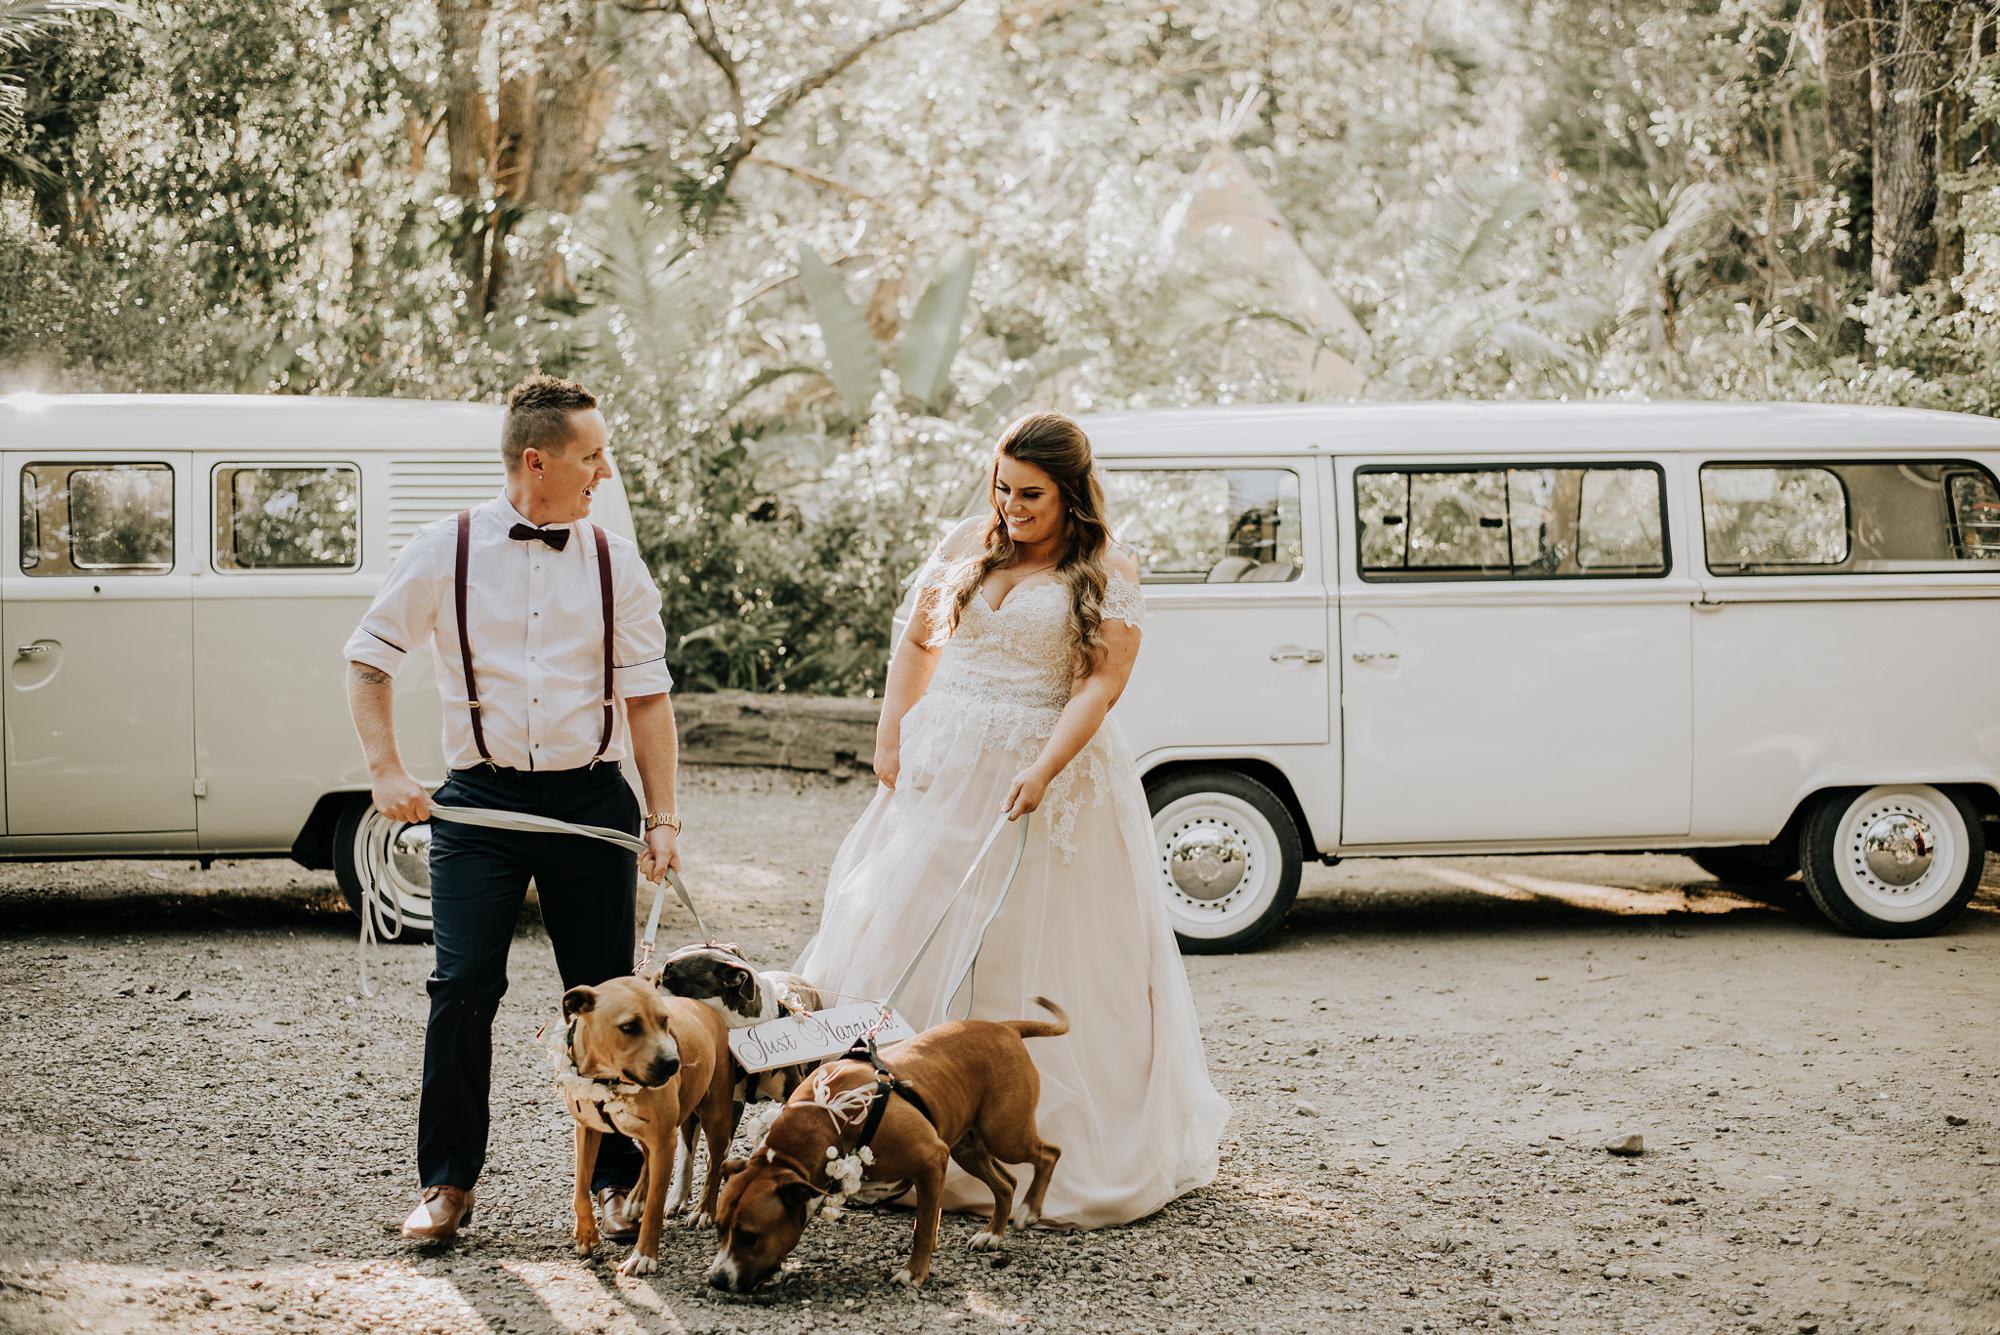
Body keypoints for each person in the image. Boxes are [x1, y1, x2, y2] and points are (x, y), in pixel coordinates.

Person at [793, 411, 1229, 1228]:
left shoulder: (1104, 567)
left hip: (1041, 768)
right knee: (908, 917)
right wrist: (891, 731)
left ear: (1071, 492)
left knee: (1026, 941)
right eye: (1001, 486)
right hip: (942, 762)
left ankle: (1019, 1135)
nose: (1011, 506)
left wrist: (1043, 765)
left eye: (1031, 494)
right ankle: (881, 1129)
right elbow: (918, 643)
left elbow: (1099, 686)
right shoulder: (970, 538)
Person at [343, 376, 682, 1244]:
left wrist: (664, 817)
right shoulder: (443, 548)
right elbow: (369, 658)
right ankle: (447, 1185)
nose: (604, 470)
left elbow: (648, 699)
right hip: (481, 803)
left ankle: (616, 1180)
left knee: (614, 995)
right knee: (462, 986)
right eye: (591, 456)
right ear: (538, 461)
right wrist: (384, 768)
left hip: (590, 799)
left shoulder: (617, 560)